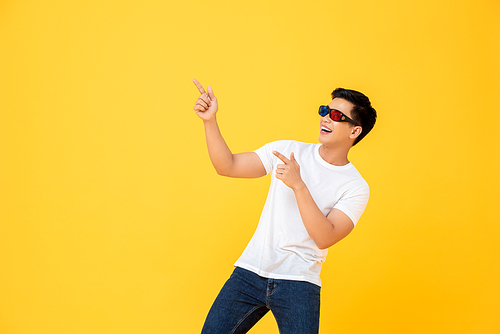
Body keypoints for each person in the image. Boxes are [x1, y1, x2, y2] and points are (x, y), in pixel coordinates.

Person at [192, 78, 377, 334]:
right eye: (324, 110)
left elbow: (325, 236)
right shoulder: (287, 150)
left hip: (299, 282)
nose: (325, 118)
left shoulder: (355, 186)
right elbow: (228, 166)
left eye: (336, 115)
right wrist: (209, 121)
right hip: (250, 272)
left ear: (354, 131)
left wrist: (298, 185)